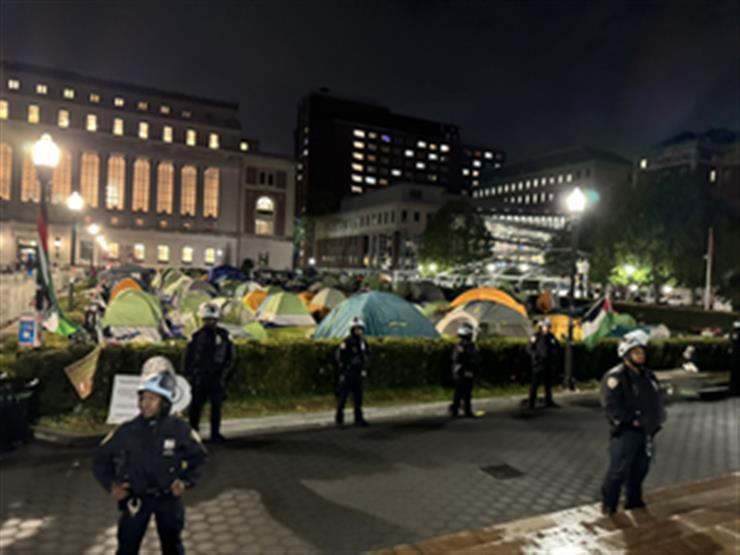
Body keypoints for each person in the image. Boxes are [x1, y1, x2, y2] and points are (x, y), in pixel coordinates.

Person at [93, 357, 207, 555]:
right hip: (136, 499)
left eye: (152, 399)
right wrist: (112, 485)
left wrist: (185, 481)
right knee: (127, 547)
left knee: (173, 547)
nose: (144, 404)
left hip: (168, 500)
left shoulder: (180, 429)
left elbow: (199, 458)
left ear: (164, 403)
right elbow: (100, 459)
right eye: (142, 398)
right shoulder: (127, 430)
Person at [600, 330, 666, 515]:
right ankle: (609, 504)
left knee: (640, 468)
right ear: (626, 354)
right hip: (626, 433)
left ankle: (634, 501)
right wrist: (632, 421)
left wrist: (658, 418)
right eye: (636, 352)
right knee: (618, 470)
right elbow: (611, 406)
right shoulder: (616, 377)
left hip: (646, 431)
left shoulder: (647, 375)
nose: (641, 355)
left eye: (642, 352)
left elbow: (655, 397)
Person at [184, 303, 235, 442]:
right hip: (200, 377)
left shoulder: (224, 335)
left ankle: (215, 433)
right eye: (207, 319)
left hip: (217, 377)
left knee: (216, 406)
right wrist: (190, 375)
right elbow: (188, 357)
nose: (210, 322)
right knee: (195, 407)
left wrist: (224, 375)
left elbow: (230, 357)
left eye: (213, 320)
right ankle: (193, 432)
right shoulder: (196, 336)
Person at [335, 317, 370, 427]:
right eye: (356, 329)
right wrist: (343, 370)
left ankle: (358, 418)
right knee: (343, 397)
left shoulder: (362, 342)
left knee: (358, 397)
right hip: (348, 372)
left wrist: (364, 368)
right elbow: (340, 357)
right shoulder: (347, 342)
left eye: (360, 329)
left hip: (358, 372)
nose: (359, 331)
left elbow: (366, 354)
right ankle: (339, 419)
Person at [527, 318, 560, 409]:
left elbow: (556, 347)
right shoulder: (536, 336)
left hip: (548, 363)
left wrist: (554, 355)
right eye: (545, 326)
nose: (547, 328)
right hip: (538, 363)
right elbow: (530, 348)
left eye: (548, 326)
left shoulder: (551, 337)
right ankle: (531, 403)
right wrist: (535, 357)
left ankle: (549, 401)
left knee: (548, 384)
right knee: (535, 384)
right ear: (541, 327)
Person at [449, 323, 481, 418]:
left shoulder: (470, 345)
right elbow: (458, 359)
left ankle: (466, 409)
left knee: (467, 391)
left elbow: (476, 358)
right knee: (459, 391)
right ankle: (456, 409)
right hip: (462, 370)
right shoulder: (461, 346)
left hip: (467, 370)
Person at [730, 321, 740, 397]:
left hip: (734, 356)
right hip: (737, 356)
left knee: (734, 374)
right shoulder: (735, 334)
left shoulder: (733, 334)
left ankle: (734, 391)